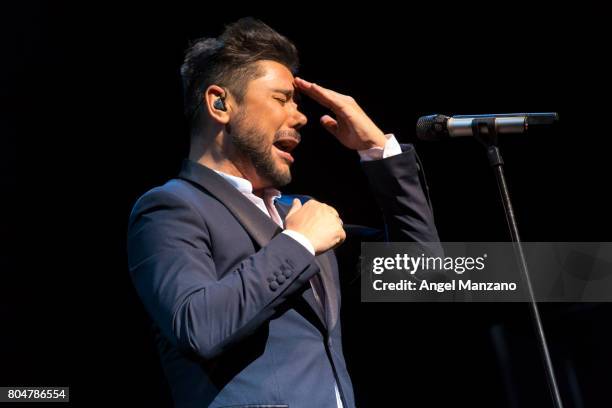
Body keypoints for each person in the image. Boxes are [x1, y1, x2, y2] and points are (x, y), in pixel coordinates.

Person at [127, 17, 440, 408]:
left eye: (298, 101)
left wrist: (378, 152)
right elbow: (198, 326)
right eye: (281, 99)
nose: (300, 115)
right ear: (220, 103)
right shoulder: (169, 208)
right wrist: (299, 243)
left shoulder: (302, 212)